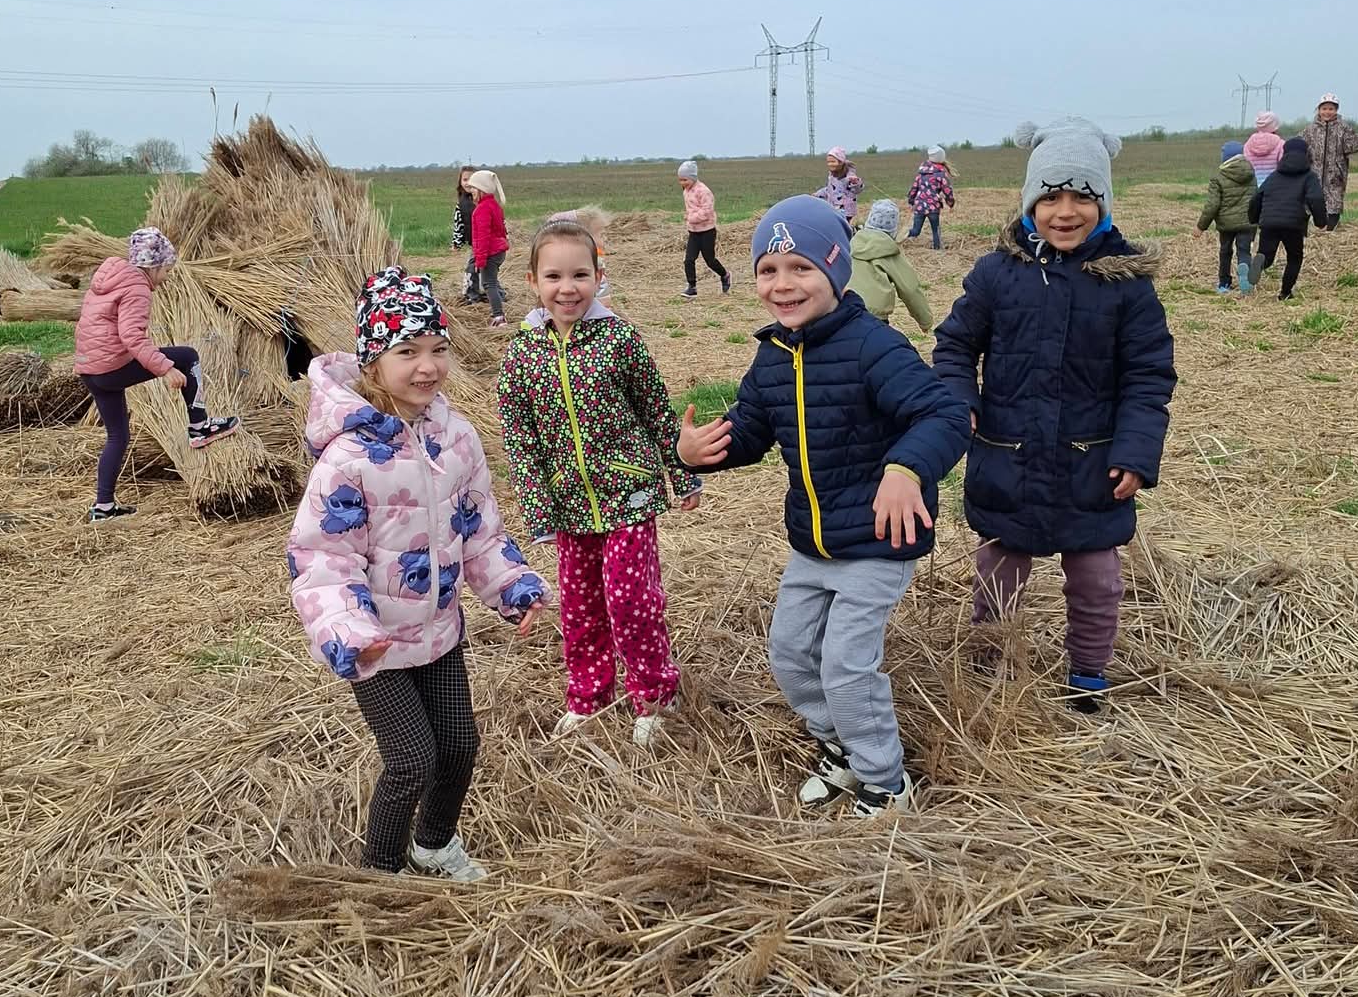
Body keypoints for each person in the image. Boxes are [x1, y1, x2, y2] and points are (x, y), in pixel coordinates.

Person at [678, 197, 968, 816]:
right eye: (768, 270)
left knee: (846, 665)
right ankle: (840, 746)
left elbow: (944, 414)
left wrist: (905, 470)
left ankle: (886, 783)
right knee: (790, 654)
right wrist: (697, 453)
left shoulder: (873, 346)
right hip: (813, 541)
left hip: (878, 538)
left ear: (835, 271)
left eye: (801, 268)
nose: (782, 284)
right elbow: (751, 432)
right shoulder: (773, 355)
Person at [287, 268, 548, 879]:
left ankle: (433, 844)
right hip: (376, 644)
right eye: (407, 352)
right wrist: (351, 632)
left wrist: (512, 585)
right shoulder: (348, 458)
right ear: (373, 364)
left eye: (437, 348)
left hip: (439, 631)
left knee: (458, 747)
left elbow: (478, 530)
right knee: (410, 760)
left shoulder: (457, 439)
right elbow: (323, 560)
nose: (427, 366)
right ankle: (381, 872)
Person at [932, 119, 1176, 713]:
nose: (1065, 212)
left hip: (1092, 465)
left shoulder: (1127, 286)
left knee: (1097, 580)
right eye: (1050, 197)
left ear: (1105, 204)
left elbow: (1148, 376)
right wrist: (961, 401)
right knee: (998, 569)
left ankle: (1088, 672)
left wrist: (1136, 451)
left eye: (1082, 197)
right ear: (1029, 203)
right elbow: (955, 346)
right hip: (1007, 457)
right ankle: (991, 658)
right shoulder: (996, 274)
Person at [497, 217, 701, 747]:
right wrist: (538, 509)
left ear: (598, 276)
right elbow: (521, 438)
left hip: (629, 495)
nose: (568, 288)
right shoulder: (522, 355)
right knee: (581, 606)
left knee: (631, 601)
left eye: (580, 275)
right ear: (533, 281)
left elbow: (656, 411)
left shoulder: (619, 339)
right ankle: (588, 695)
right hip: (568, 505)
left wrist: (681, 475)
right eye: (554, 276)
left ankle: (654, 695)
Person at [75, 226, 239, 525]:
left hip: (90, 369)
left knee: (117, 436)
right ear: (153, 266)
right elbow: (132, 337)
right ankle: (200, 427)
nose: (166, 277)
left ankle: (103, 507)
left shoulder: (108, 280)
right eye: (166, 270)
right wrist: (166, 368)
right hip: (111, 366)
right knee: (188, 356)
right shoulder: (136, 286)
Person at [1247, 137, 1327, 298]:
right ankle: (1285, 293)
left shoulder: (1274, 175)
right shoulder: (1309, 176)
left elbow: (1257, 197)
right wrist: (1321, 221)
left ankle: (1261, 262)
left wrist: (1254, 218)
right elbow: (1316, 198)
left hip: (1269, 222)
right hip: (1293, 224)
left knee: (1266, 254)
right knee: (1294, 258)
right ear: (1306, 154)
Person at [850, 198, 934, 332]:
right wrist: (925, 321)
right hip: (874, 317)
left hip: (845, 310)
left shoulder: (850, 243)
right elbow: (910, 289)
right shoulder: (889, 251)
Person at [1302, 94, 1358, 231]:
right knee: (1310, 201)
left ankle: (1330, 230)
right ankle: (1306, 229)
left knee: (1334, 202)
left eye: (1331, 109)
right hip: (1314, 173)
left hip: (1335, 173)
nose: (1327, 112)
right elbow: (1301, 145)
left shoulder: (1343, 128)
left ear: (1336, 110)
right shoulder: (1310, 130)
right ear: (1319, 110)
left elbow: (1350, 144)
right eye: (1324, 108)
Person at [1194, 140, 1257, 294]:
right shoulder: (1251, 173)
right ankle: (1245, 274)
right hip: (1247, 222)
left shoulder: (1218, 177)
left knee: (1225, 252)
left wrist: (1201, 226)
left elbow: (1212, 205)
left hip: (1226, 224)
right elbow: (1256, 198)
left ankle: (1224, 283)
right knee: (1244, 251)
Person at [677, 161, 731, 298]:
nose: (682, 183)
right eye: (680, 180)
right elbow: (691, 208)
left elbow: (707, 211)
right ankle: (692, 287)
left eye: (685, 180)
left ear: (693, 178)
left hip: (707, 231)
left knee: (710, 260)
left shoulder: (704, 191)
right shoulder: (686, 191)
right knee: (689, 260)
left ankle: (725, 275)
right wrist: (688, 216)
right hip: (693, 232)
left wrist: (692, 218)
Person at [466, 169, 510, 325]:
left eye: (473, 187)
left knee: (488, 284)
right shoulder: (494, 205)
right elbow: (502, 229)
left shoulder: (482, 209)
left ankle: (498, 317)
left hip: (491, 252)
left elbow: (483, 237)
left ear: (481, 189)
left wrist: (480, 261)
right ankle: (498, 313)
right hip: (499, 251)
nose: (471, 190)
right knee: (492, 281)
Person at [906, 146, 956, 249]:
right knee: (935, 230)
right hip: (933, 207)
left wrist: (911, 201)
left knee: (915, 231)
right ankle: (937, 249)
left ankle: (900, 237)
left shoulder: (921, 174)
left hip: (919, 206)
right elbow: (947, 191)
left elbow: (914, 189)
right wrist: (950, 203)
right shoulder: (941, 174)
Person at [452, 167, 482, 303]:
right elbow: (458, 225)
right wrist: (456, 243)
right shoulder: (461, 203)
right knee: (475, 268)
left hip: (486, 242)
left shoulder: (483, 200)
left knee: (475, 269)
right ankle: (473, 294)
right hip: (475, 243)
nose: (468, 183)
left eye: (472, 179)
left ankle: (474, 294)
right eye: (465, 179)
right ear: (460, 182)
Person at [816, 146, 864, 227]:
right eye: (828, 162)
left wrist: (856, 183)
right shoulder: (832, 176)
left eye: (833, 162)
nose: (830, 164)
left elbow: (857, 190)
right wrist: (818, 194)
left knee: (844, 227)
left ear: (841, 162)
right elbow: (829, 189)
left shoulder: (850, 176)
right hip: (833, 208)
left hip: (846, 211)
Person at [1241, 111, 1284, 187]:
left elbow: (1246, 169)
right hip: (1274, 187)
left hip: (1254, 188)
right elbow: (1283, 168)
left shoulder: (1247, 145)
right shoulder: (1280, 144)